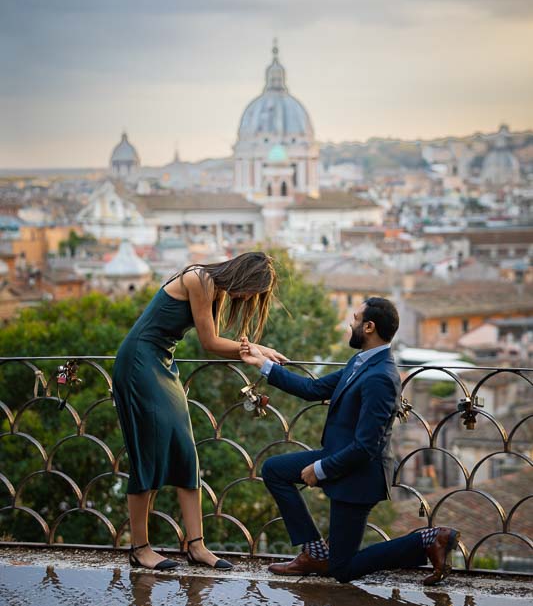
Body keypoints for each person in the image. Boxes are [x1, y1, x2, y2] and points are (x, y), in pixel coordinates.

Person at [239, 296, 460, 586]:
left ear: (369, 327)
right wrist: (264, 364)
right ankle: (314, 551)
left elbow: (366, 446)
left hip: (359, 476)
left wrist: (319, 470)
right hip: (341, 459)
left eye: (355, 319)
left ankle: (429, 539)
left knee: (342, 569)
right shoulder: (361, 361)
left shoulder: (381, 377)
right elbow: (313, 388)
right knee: (275, 470)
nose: (350, 323)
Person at [113, 251, 286, 571]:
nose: (248, 297)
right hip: (139, 362)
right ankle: (140, 548)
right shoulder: (200, 280)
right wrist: (257, 351)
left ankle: (196, 546)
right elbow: (210, 343)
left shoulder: (216, 288)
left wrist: (258, 351)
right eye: (250, 290)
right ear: (242, 277)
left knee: (185, 451)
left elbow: (220, 341)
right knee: (148, 454)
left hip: (163, 364)